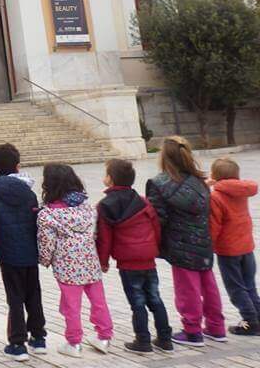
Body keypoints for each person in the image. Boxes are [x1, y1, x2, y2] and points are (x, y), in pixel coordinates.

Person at [146, 136, 226, 346]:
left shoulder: (159, 183)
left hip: (180, 244)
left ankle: (192, 331)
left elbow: (158, 218)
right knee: (209, 285)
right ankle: (217, 327)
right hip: (203, 240)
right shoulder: (199, 181)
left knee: (187, 289)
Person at [96, 159, 172, 353]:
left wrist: (103, 261)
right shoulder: (142, 200)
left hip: (128, 263)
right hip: (148, 259)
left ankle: (143, 341)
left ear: (110, 180)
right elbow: (155, 226)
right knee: (155, 298)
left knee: (137, 303)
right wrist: (154, 248)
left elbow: (105, 238)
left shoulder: (105, 205)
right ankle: (165, 339)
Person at [37, 163, 113, 358]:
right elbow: (94, 233)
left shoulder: (48, 214)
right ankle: (104, 336)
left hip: (66, 266)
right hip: (90, 261)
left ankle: (74, 342)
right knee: (98, 300)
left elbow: (47, 243)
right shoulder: (87, 207)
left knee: (71, 305)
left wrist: (44, 260)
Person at [0, 143, 46, 361]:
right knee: (34, 294)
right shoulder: (29, 192)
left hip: (8, 253)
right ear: (17, 166)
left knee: (15, 298)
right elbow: (36, 222)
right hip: (29, 252)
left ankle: (17, 344)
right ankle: (39, 338)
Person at [209, 157, 260, 335]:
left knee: (236, 287)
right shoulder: (242, 192)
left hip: (228, 250)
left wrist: (209, 245)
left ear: (215, 176)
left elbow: (214, 225)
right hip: (246, 247)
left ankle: (250, 322)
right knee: (249, 285)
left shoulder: (216, 196)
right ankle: (258, 317)